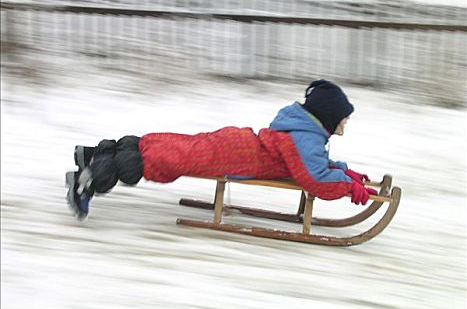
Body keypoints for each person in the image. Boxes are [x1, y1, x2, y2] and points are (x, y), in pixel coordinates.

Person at [66, 79, 377, 220]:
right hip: (236, 155)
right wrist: (347, 188)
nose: (345, 124)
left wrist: (343, 170)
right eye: (344, 119)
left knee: (170, 144)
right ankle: (87, 181)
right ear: (328, 117)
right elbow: (313, 179)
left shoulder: (303, 131)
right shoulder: (306, 138)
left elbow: (315, 165)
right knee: (165, 159)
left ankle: (94, 153)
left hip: (238, 142)